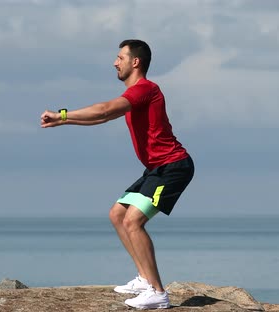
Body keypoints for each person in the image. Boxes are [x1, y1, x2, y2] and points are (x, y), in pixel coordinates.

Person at [40, 39, 194, 310]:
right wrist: (62, 120)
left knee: (133, 221)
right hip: (156, 169)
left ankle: (158, 293)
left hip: (173, 167)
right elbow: (103, 118)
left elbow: (104, 109)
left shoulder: (146, 89)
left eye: (120, 57)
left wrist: (62, 112)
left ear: (135, 62)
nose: (115, 62)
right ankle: (145, 279)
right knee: (117, 214)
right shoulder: (136, 95)